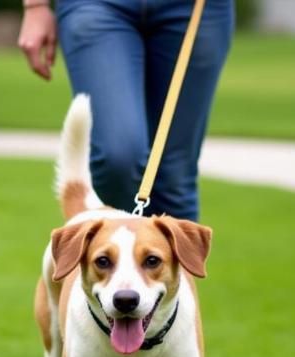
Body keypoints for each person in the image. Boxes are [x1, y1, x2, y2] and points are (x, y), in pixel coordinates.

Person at [18, 0, 234, 221]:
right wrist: (36, 6)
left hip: (194, 8)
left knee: (174, 177)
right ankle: (104, 248)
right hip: (95, 5)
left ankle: (162, 253)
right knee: (119, 156)